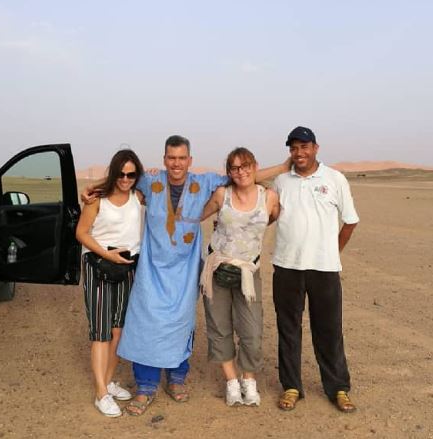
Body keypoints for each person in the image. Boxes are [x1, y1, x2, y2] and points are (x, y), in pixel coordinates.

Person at [101, 135, 286, 416]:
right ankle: (146, 386)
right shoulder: (150, 182)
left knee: (180, 323)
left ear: (190, 160)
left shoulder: (206, 182)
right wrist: (93, 189)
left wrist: (282, 168)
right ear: (164, 160)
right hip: (152, 270)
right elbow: (119, 182)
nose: (176, 163)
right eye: (171, 158)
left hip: (186, 271)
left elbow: (245, 176)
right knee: (147, 323)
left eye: (182, 158)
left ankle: (176, 379)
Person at [271, 126, 359, 413]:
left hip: (324, 268)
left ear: (316, 148)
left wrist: (332, 252)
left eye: (304, 147)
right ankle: (292, 386)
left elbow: (350, 221)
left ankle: (338, 388)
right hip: (287, 266)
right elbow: (267, 216)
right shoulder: (281, 182)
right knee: (288, 329)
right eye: (294, 148)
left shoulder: (334, 179)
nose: (300, 153)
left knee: (329, 330)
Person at [200, 147, 280, 407]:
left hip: (248, 272)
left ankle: (249, 380)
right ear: (229, 172)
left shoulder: (269, 197)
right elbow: (195, 215)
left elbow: (270, 220)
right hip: (216, 269)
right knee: (219, 327)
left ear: (254, 166)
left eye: (245, 166)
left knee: (252, 331)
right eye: (235, 168)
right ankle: (232, 382)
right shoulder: (222, 194)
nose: (241, 172)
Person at [74, 149, 145, 418]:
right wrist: (107, 254)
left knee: (119, 330)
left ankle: (108, 381)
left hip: (127, 267)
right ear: (114, 172)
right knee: (101, 332)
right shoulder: (97, 200)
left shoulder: (138, 197)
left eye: (131, 174)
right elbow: (81, 232)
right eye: (121, 174)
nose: (125, 179)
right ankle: (101, 393)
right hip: (99, 265)